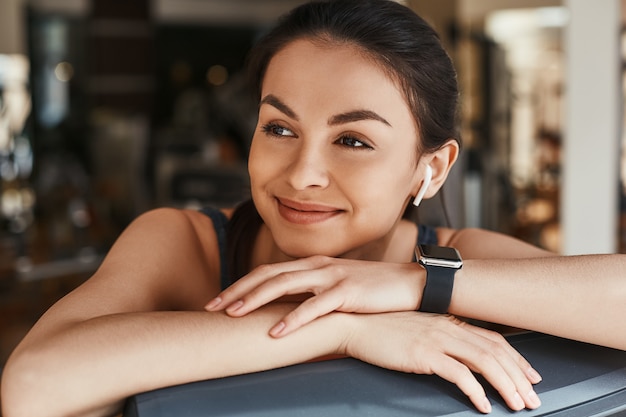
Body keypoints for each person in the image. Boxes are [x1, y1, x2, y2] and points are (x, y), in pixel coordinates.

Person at [2, 1, 625, 416]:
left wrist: (414, 286)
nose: (302, 172)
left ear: (430, 168)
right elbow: (33, 387)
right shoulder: (183, 243)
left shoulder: (452, 259)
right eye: (279, 128)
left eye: (353, 141)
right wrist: (342, 328)